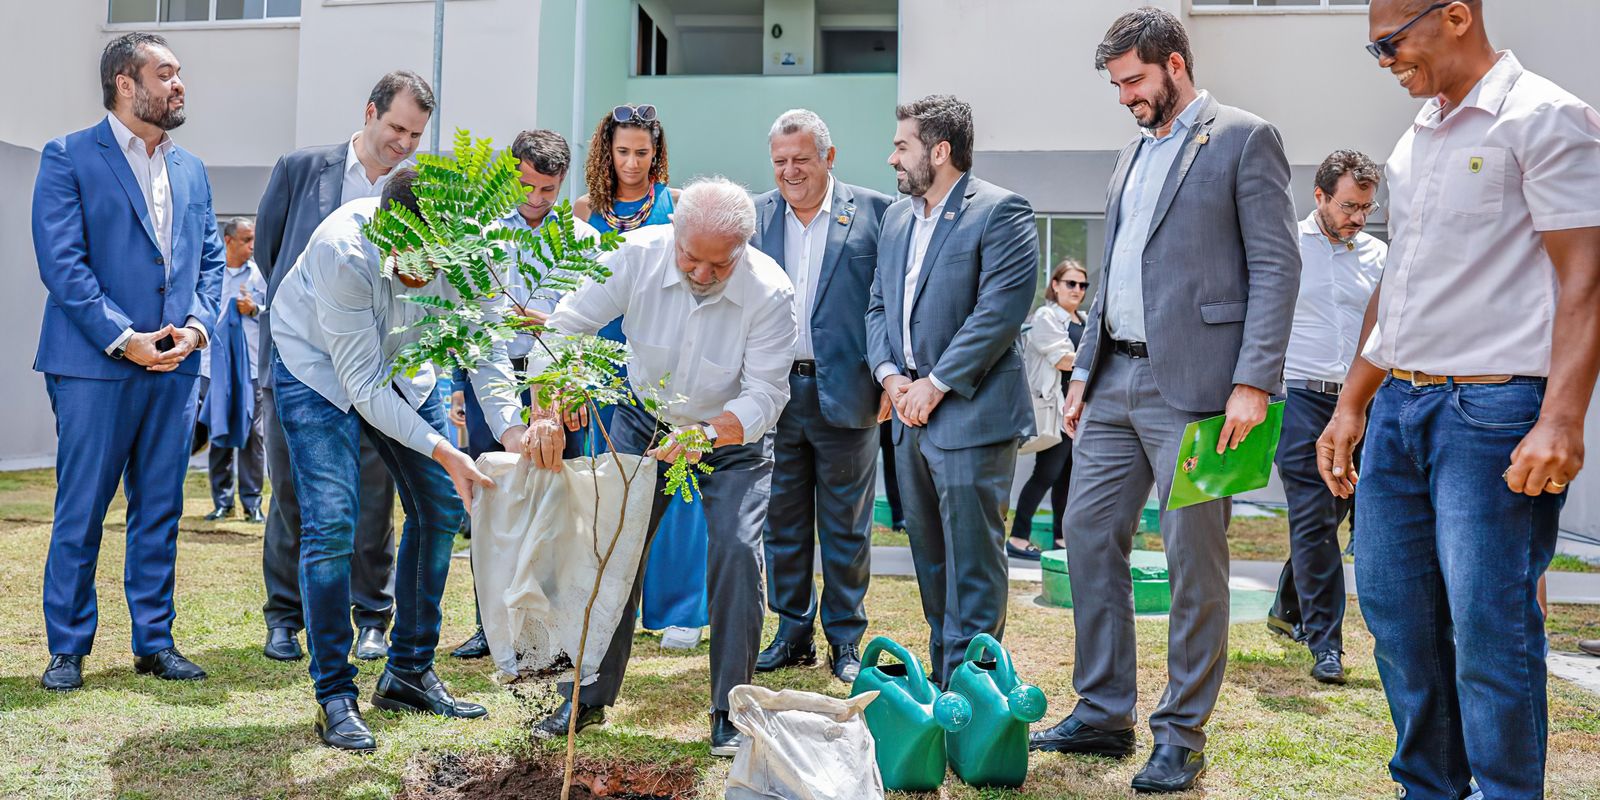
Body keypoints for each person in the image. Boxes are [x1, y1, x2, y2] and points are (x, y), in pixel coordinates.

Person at [1317, 2, 1600, 796]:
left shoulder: (1545, 118)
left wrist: (1562, 419)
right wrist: (1351, 406)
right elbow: (1398, 286)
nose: (1382, 60)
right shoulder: (1417, 139)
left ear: (1455, 16)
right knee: (1399, 624)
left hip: (1492, 416)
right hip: (1402, 410)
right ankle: (1429, 789)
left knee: (1489, 632)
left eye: (1390, 41)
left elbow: (1587, 280)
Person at [1029, 9, 1300, 793]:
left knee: (1193, 563)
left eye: (1135, 80)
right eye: (1117, 85)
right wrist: (1083, 371)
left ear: (1175, 63)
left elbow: (1277, 270)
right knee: (1084, 536)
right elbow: (1110, 272)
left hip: (1204, 389)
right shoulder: (1129, 155)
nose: (1125, 97)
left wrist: (1254, 380)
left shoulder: (1246, 139)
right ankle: (1105, 712)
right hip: (1113, 379)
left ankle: (1181, 734)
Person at [528, 177, 797, 757]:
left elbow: (768, 395)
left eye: (717, 265)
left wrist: (706, 434)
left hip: (733, 439)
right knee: (612, 548)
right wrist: (551, 399)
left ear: (743, 250)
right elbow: (563, 327)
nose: (701, 274)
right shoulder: (636, 255)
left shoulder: (771, 291)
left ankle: (731, 709)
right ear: (674, 232)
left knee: (734, 551)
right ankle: (587, 696)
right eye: (690, 258)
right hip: (642, 417)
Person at [270, 169, 529, 752]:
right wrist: (446, 450)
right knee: (333, 523)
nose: (423, 274)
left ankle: (409, 672)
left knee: (440, 508)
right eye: (411, 259)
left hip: (406, 367)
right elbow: (360, 383)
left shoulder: (474, 252)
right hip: (317, 371)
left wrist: (511, 431)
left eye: (434, 262)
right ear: (386, 231)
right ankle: (335, 693)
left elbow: (483, 347)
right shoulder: (344, 251)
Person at [33, 32, 224, 692]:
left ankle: (154, 641)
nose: (179, 85)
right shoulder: (67, 157)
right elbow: (64, 265)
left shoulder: (194, 168)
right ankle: (68, 647)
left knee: (160, 509)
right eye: (166, 73)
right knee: (81, 507)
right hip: (95, 365)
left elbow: (211, 261)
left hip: (175, 369)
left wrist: (197, 330)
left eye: (179, 75)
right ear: (124, 82)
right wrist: (125, 338)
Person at [254, 70, 433, 663]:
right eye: (396, 128)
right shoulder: (304, 169)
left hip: (377, 370)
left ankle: (373, 616)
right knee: (295, 493)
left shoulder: (417, 194)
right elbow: (269, 252)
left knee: (375, 497)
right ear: (369, 112)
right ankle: (285, 615)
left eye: (415, 134)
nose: (404, 143)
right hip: (302, 365)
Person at [865, 94, 1040, 686]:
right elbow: (878, 306)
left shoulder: (1000, 211)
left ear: (939, 151)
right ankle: (945, 684)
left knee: (973, 565)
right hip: (908, 418)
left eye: (902, 145)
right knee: (930, 560)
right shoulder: (894, 218)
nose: (892, 157)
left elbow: (998, 313)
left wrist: (934, 386)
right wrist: (891, 377)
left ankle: (977, 689)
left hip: (970, 413)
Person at [445, 129, 600, 660]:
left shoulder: (583, 240)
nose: (536, 200)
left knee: (558, 501)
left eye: (549, 191)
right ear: (512, 172)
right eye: (528, 187)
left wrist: (554, 327)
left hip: (556, 381)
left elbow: (591, 325)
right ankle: (491, 623)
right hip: (491, 375)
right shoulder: (480, 233)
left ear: (563, 184)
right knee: (495, 496)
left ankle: (553, 625)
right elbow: (466, 321)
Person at [751, 109, 893, 684]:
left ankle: (846, 638)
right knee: (780, 521)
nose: (790, 172)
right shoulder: (756, 217)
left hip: (849, 390)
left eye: (801, 160)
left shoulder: (878, 213)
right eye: (780, 162)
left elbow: (893, 302)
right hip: (774, 393)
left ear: (828, 159)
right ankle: (792, 630)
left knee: (846, 525)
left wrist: (890, 375)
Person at [575, 103, 707, 650]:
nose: (632, 163)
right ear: (607, 151)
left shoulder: (678, 208)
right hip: (603, 362)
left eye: (643, 153)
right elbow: (572, 290)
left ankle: (681, 610)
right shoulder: (584, 210)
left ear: (658, 154)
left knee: (678, 481)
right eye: (622, 152)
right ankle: (611, 605)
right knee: (614, 487)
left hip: (665, 359)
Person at [1262, 150, 1385, 686]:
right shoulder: (1285, 245)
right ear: (1319, 197)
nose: (1359, 217)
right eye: (1350, 206)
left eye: (1367, 208)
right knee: (1314, 516)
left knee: (1346, 509)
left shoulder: (1381, 256)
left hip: (1366, 400)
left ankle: (1288, 602)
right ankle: (1325, 641)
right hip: (1302, 398)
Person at [1007, 259, 1089, 560]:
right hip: (1055, 408)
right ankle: (1017, 537)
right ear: (1055, 284)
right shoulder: (1046, 316)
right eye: (1071, 283)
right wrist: (1097, 357)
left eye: (1082, 285)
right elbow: (1063, 360)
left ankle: (1061, 538)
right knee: (1047, 473)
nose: (1077, 290)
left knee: (1068, 477)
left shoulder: (1084, 319)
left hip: (1079, 411)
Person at [199, 217, 268, 523]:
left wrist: (254, 308)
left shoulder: (260, 276)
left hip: (251, 367)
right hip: (214, 369)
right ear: (228, 241)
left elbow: (275, 313)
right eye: (246, 240)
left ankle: (252, 504)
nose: (252, 246)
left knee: (254, 435)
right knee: (219, 430)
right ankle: (221, 502)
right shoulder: (210, 275)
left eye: (253, 239)